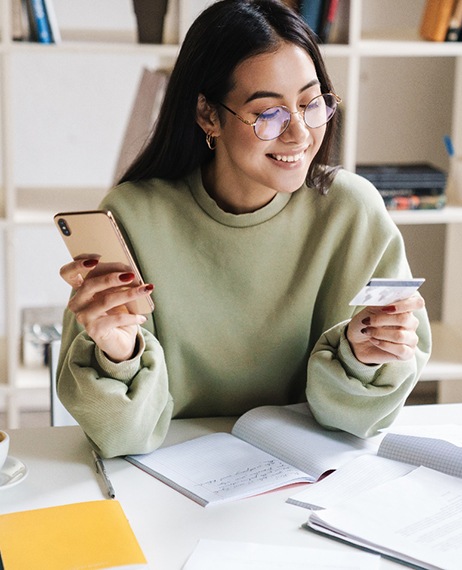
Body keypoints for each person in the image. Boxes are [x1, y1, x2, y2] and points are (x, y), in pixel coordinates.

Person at [57, 0, 431, 458]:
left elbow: (355, 425)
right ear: (208, 115)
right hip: (166, 478)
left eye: (311, 104)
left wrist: (365, 357)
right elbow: (123, 437)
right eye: (268, 113)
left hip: (308, 475)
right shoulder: (133, 215)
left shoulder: (352, 212)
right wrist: (118, 353)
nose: (299, 134)